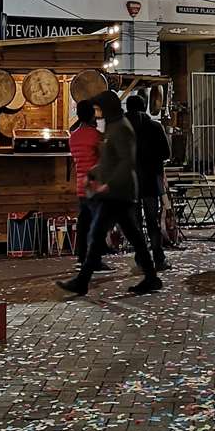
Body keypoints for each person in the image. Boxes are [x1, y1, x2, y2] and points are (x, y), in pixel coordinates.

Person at [60, 91, 161, 296]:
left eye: (100, 109)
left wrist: (107, 184)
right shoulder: (114, 127)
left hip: (118, 191)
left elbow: (126, 161)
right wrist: (92, 173)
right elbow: (109, 160)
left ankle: (83, 281)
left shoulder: (121, 128)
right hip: (117, 191)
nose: (98, 113)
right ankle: (151, 277)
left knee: (98, 233)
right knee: (132, 234)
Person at [126, 94, 172, 272]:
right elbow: (166, 153)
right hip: (151, 182)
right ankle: (159, 259)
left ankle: (141, 258)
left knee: (135, 223)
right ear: (144, 107)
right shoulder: (154, 126)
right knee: (152, 221)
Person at [67, 98, 102, 266]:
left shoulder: (73, 137)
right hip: (95, 185)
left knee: (84, 223)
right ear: (91, 115)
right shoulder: (95, 136)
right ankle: (94, 260)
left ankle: (81, 258)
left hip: (80, 184)